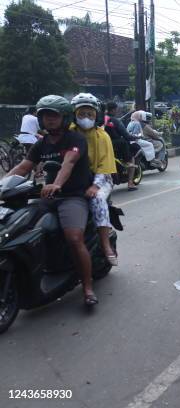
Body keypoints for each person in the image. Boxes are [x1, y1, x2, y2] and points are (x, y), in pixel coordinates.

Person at [6, 95, 98, 305]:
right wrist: (3, 184)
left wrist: (57, 184)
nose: (49, 119)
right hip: (47, 197)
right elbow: (22, 168)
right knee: (19, 228)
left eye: (54, 115)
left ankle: (87, 286)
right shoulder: (41, 144)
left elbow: (69, 162)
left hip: (72, 196)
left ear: (64, 117)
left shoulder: (75, 139)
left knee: (74, 238)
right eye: (45, 115)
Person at [70, 93, 118, 267]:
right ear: (74, 115)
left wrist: (95, 185)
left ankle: (105, 245)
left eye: (90, 114)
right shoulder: (69, 133)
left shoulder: (102, 136)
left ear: (96, 115)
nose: (86, 118)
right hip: (73, 180)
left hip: (100, 179)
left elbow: (104, 165)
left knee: (97, 200)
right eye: (81, 114)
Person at [105, 102, 138, 191]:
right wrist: (135, 137)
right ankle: (130, 182)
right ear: (113, 110)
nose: (117, 111)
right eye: (116, 109)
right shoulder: (115, 121)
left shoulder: (100, 119)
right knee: (130, 156)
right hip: (114, 146)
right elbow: (126, 135)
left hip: (102, 146)